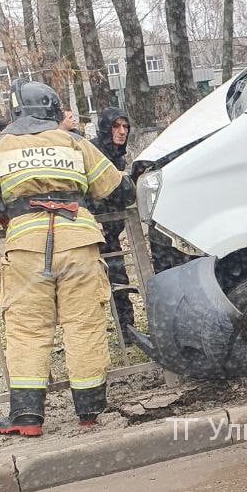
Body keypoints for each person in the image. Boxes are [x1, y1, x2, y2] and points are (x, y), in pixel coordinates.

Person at [0, 79, 135, 437]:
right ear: (54, 111)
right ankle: (89, 410)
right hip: (79, 243)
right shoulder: (74, 142)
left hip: (26, 247)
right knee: (83, 325)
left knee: (27, 329)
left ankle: (26, 416)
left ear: (14, 112)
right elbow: (119, 191)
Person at [89, 106, 135, 338]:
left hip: (110, 232)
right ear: (106, 129)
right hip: (93, 230)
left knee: (118, 280)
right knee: (92, 286)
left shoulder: (117, 155)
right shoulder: (96, 152)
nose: (122, 131)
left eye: (125, 126)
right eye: (116, 126)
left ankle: (126, 331)